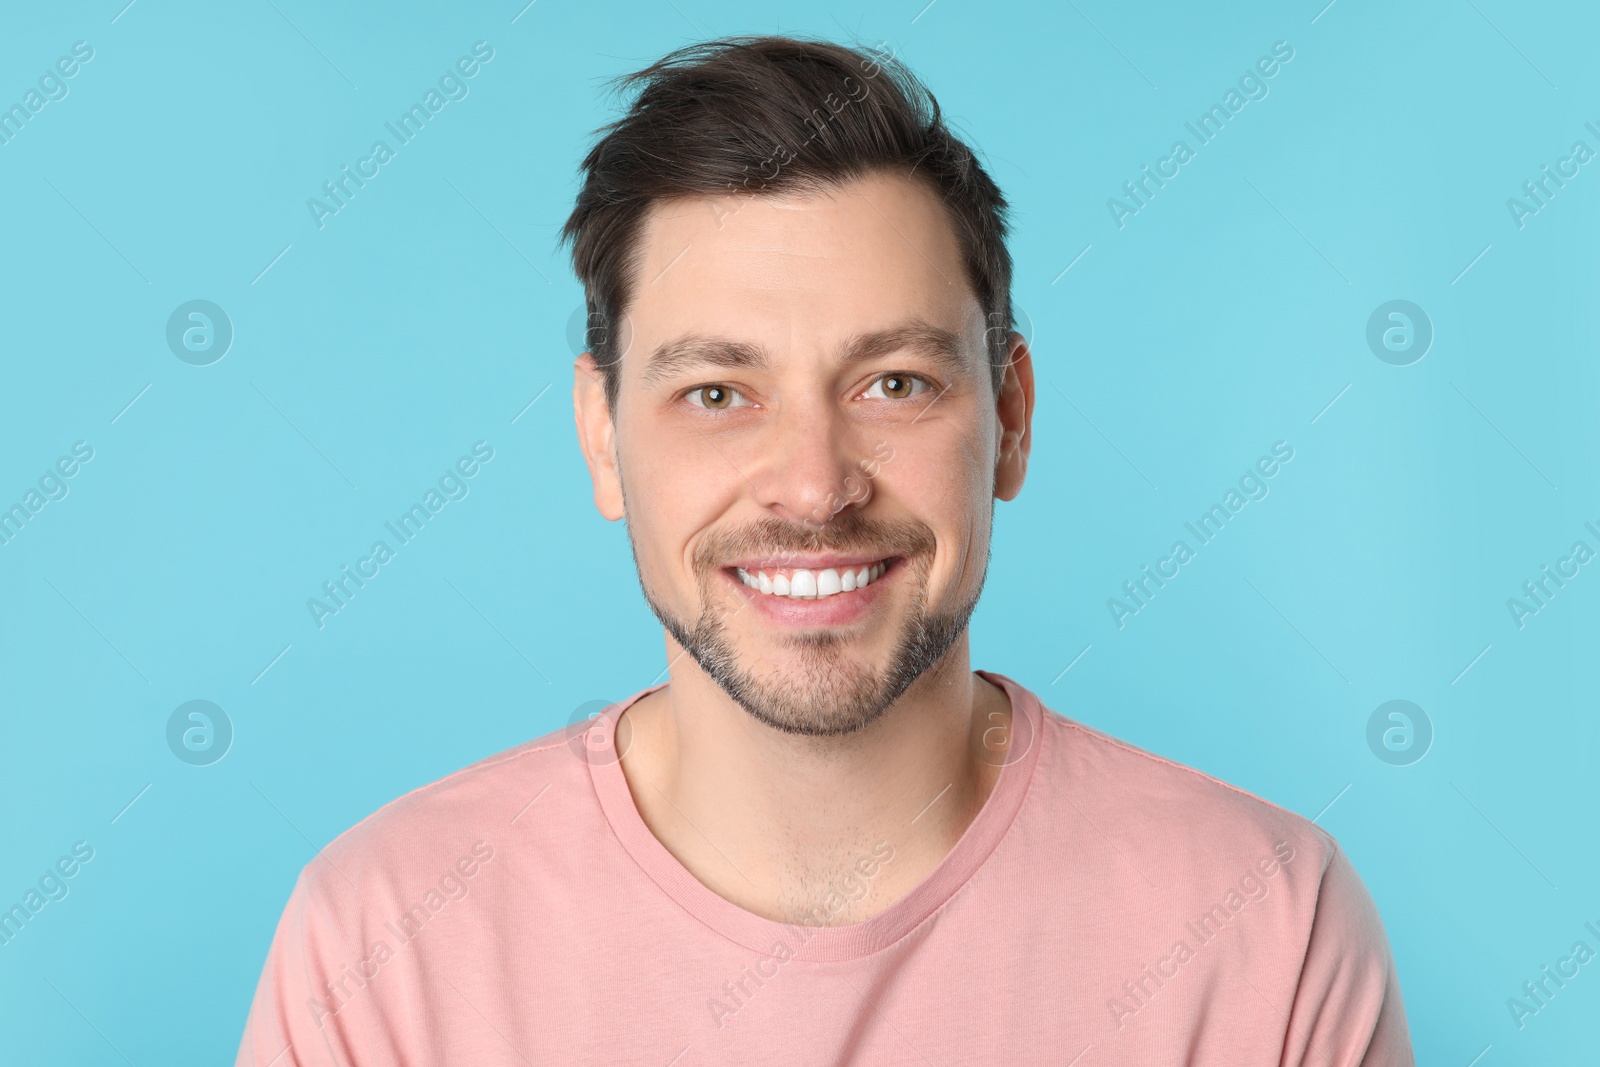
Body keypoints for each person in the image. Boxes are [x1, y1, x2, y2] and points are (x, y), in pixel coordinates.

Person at [235, 34, 1413, 1065]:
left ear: (1010, 417)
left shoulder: (1268, 927)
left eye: (893, 382)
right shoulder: (379, 944)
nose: (814, 483)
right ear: (601, 439)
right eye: (716, 391)